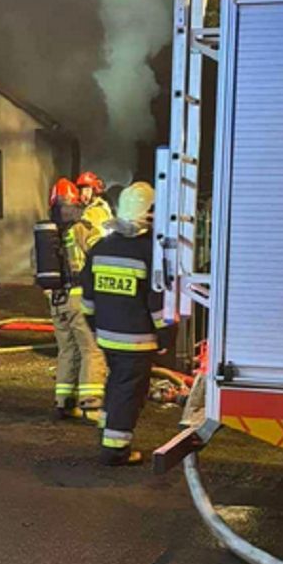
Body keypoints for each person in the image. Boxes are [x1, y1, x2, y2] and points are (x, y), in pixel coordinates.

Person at [80, 182, 172, 466]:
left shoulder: (101, 248)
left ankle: (107, 430)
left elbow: (88, 301)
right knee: (128, 392)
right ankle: (115, 449)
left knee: (117, 384)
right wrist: (167, 339)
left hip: (107, 337)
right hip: (137, 339)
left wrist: (98, 329)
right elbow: (157, 305)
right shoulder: (150, 253)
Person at [47, 178, 106, 422]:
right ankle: (91, 404)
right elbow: (100, 255)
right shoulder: (82, 228)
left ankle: (64, 401)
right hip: (79, 298)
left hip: (56, 300)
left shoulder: (47, 233)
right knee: (91, 349)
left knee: (67, 350)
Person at [75, 171, 113, 237]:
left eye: (87, 190)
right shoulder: (90, 207)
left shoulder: (98, 209)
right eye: (81, 190)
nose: (83, 194)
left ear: (94, 192)